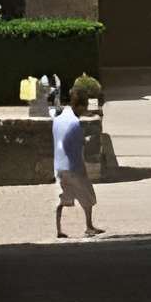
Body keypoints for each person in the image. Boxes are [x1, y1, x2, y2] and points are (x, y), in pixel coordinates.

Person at [53, 83, 101, 239]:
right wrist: (88, 139)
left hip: (59, 166)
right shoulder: (74, 123)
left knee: (64, 197)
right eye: (84, 107)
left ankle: (59, 229)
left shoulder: (58, 120)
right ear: (79, 106)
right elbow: (76, 144)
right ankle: (89, 226)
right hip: (74, 166)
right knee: (87, 197)